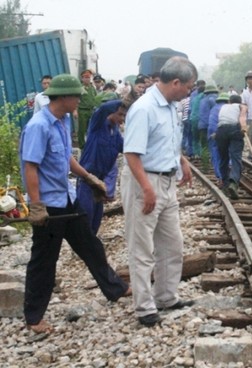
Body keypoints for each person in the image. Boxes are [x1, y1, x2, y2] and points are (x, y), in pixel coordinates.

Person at [19, 74, 130, 334]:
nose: (80, 100)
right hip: (49, 206)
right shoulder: (39, 126)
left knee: (90, 245)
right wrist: (36, 206)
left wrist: (88, 178)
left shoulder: (63, 120)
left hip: (67, 198)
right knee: (44, 261)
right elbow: (30, 168)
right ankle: (34, 317)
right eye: (77, 96)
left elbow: (66, 157)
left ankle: (116, 288)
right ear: (64, 97)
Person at [121, 56, 197, 327]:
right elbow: (131, 153)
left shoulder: (171, 107)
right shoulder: (145, 109)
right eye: (188, 87)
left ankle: (166, 296)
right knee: (142, 249)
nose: (189, 92)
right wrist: (146, 189)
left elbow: (167, 141)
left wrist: (182, 161)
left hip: (167, 181)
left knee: (172, 244)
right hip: (146, 182)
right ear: (175, 82)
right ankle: (144, 308)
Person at [77, 99, 131, 234]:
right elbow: (102, 109)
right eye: (119, 114)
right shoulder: (98, 125)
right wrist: (123, 100)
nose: (122, 119)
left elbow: (125, 148)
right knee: (85, 215)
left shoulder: (115, 132)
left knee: (96, 218)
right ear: (110, 112)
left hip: (100, 181)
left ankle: (90, 247)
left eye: (124, 115)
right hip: (87, 179)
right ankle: (84, 247)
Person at [215, 94, 248, 199]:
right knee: (236, 157)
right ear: (240, 102)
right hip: (234, 129)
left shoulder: (223, 107)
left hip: (221, 131)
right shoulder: (242, 106)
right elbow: (242, 118)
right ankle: (233, 183)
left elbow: (220, 121)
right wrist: (243, 128)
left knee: (223, 158)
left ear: (229, 101)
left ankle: (224, 185)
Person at [208, 93, 229, 186]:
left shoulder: (214, 109)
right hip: (225, 133)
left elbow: (211, 123)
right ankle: (226, 175)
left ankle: (220, 177)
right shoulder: (229, 108)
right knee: (226, 154)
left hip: (213, 133)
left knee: (216, 155)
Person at [77, 69, 98, 149]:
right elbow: (76, 100)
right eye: (85, 77)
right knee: (82, 129)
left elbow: (95, 98)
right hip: (82, 111)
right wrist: (75, 111)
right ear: (82, 78)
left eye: (88, 77)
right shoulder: (80, 88)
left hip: (91, 111)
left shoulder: (92, 88)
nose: (87, 79)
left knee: (91, 128)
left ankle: (90, 144)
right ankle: (82, 146)